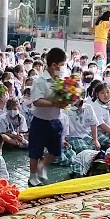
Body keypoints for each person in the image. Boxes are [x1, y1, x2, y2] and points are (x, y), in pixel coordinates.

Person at [27, 47, 68, 186]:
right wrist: (54, 103)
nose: (63, 67)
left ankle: (42, 166)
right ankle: (32, 176)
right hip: (40, 121)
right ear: (54, 65)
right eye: (62, 64)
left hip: (55, 120)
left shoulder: (61, 81)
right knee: (35, 151)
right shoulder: (40, 81)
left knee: (56, 150)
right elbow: (36, 101)